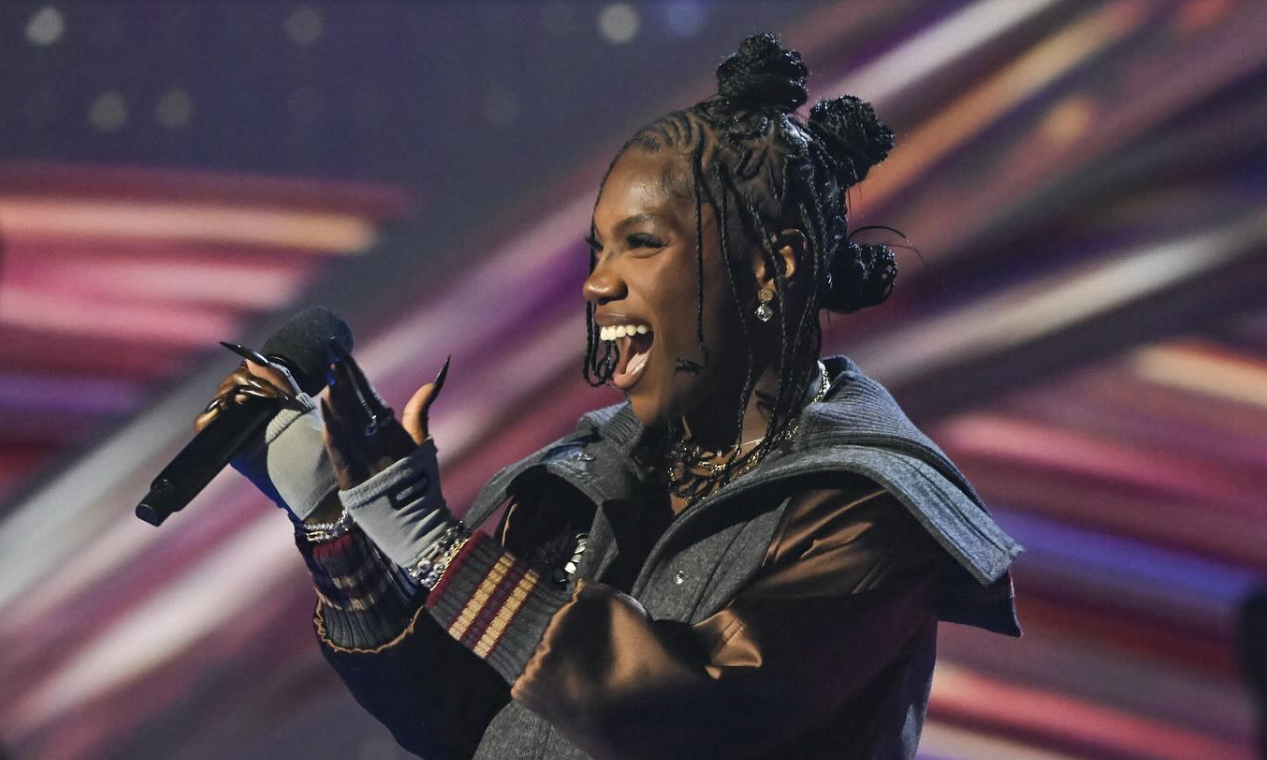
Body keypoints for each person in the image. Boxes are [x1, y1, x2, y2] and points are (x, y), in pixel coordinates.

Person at [199, 33, 1023, 760]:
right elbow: (457, 718)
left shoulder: (869, 510)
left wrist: (431, 543)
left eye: (641, 244)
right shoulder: (583, 478)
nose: (597, 283)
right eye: (598, 250)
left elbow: (689, 720)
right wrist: (336, 522)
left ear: (771, 266)